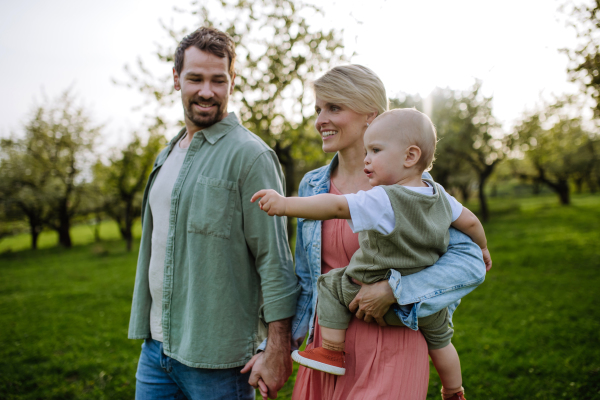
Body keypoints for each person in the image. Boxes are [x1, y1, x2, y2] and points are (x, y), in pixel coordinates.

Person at [271, 65, 485, 400]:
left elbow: (470, 264)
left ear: (371, 116)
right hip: (328, 344)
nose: (319, 121)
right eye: (318, 110)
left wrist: (396, 289)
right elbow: (307, 277)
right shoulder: (312, 185)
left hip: (393, 339)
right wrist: (280, 346)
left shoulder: (421, 191)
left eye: (334, 108)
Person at [128, 27, 299, 400]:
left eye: (218, 80)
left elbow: (274, 259)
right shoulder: (168, 154)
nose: (207, 91)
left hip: (220, 363)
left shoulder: (251, 156)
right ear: (177, 79)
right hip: (157, 351)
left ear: (232, 82)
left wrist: (277, 346)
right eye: (195, 78)